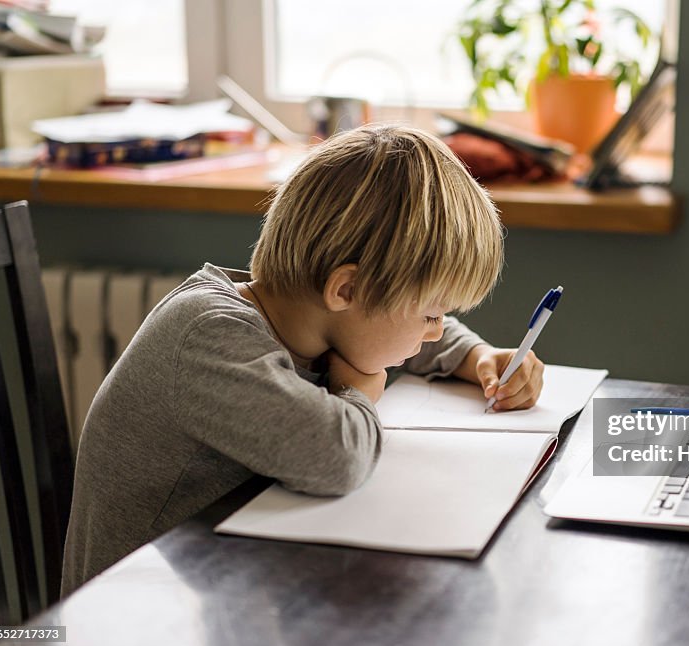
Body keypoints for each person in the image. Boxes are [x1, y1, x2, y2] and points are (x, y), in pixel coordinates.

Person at [61, 125, 545, 595]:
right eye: (432, 314)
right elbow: (334, 458)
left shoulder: (304, 312)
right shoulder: (208, 335)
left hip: (222, 580)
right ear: (347, 289)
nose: (435, 330)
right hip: (129, 612)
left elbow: (392, 324)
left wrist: (477, 355)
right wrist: (359, 394)